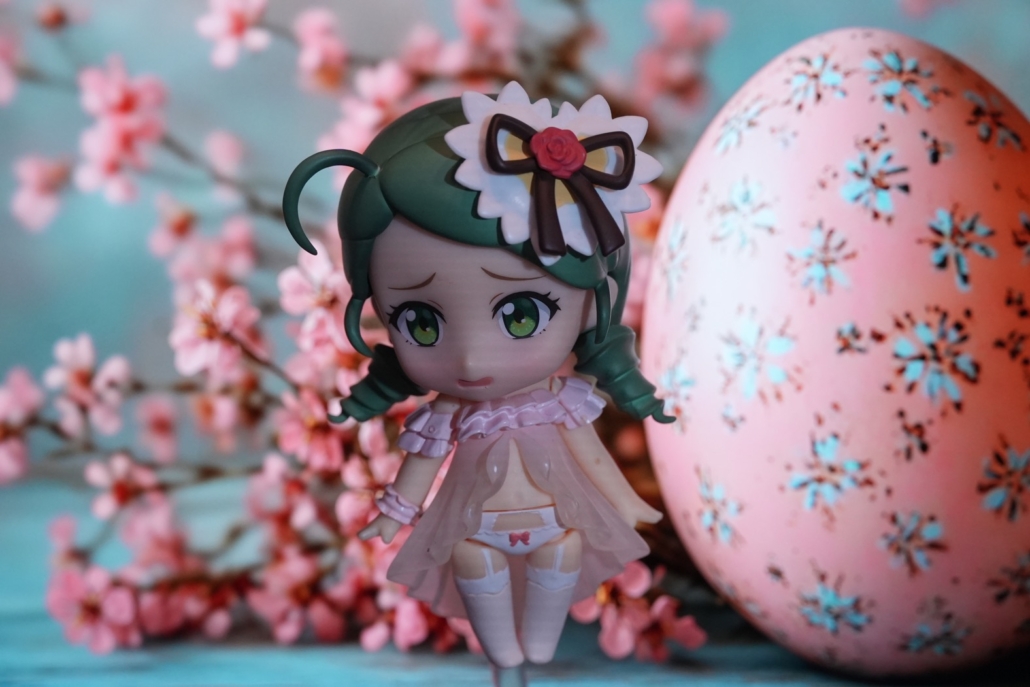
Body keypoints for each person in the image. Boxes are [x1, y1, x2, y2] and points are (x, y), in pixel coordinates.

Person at [282, 81, 672, 682]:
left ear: (589, 302)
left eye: (521, 314)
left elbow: (591, 456)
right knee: (471, 560)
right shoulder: (447, 415)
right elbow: (419, 467)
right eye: (420, 322)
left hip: (551, 518)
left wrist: (626, 503)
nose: (468, 359)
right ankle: (504, 655)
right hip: (477, 526)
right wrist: (395, 511)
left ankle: (537, 641)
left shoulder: (559, 403)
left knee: (564, 548)